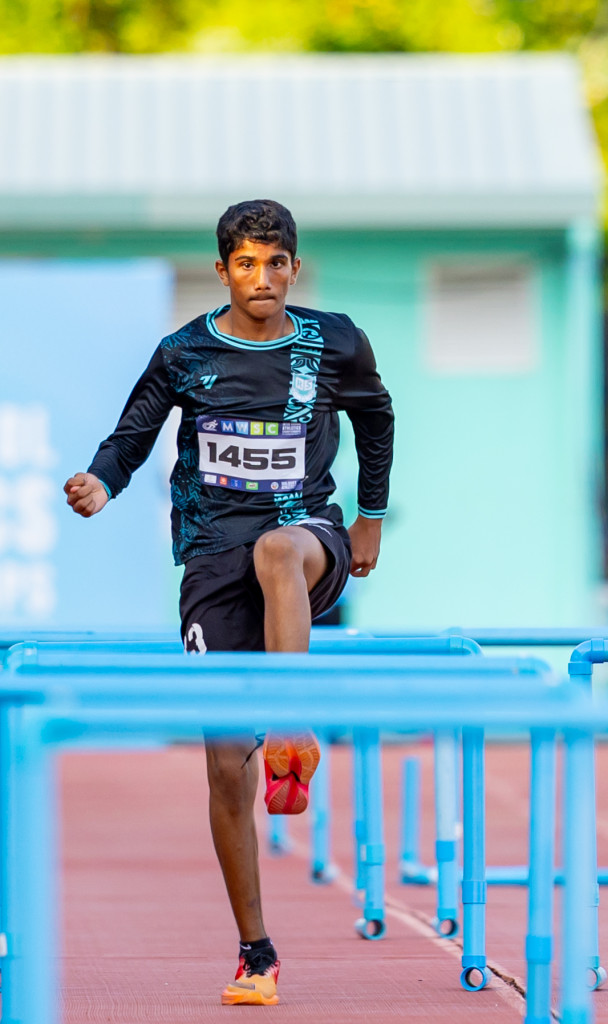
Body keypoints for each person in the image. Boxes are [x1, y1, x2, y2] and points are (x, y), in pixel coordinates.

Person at [63, 199, 394, 1006]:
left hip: (304, 533)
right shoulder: (185, 352)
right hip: (210, 556)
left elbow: (377, 418)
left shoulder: (334, 340)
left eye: (276, 263)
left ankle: (290, 723)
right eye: (246, 264)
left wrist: (370, 516)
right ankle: (256, 951)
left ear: (294, 268)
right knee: (220, 769)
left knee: (276, 549)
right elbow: (133, 432)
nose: (262, 278)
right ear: (222, 270)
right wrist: (101, 481)